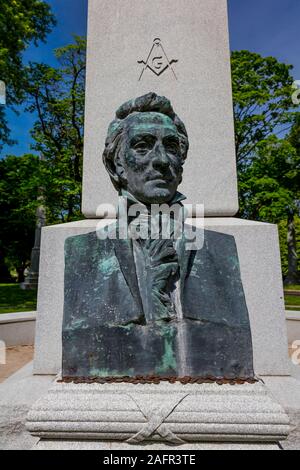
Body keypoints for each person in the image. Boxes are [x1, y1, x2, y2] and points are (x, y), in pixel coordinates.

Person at [62, 93, 254, 380]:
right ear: (117, 165)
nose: (162, 160)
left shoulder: (221, 250)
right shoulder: (82, 253)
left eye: (171, 147)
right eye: (142, 146)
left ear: (181, 162)